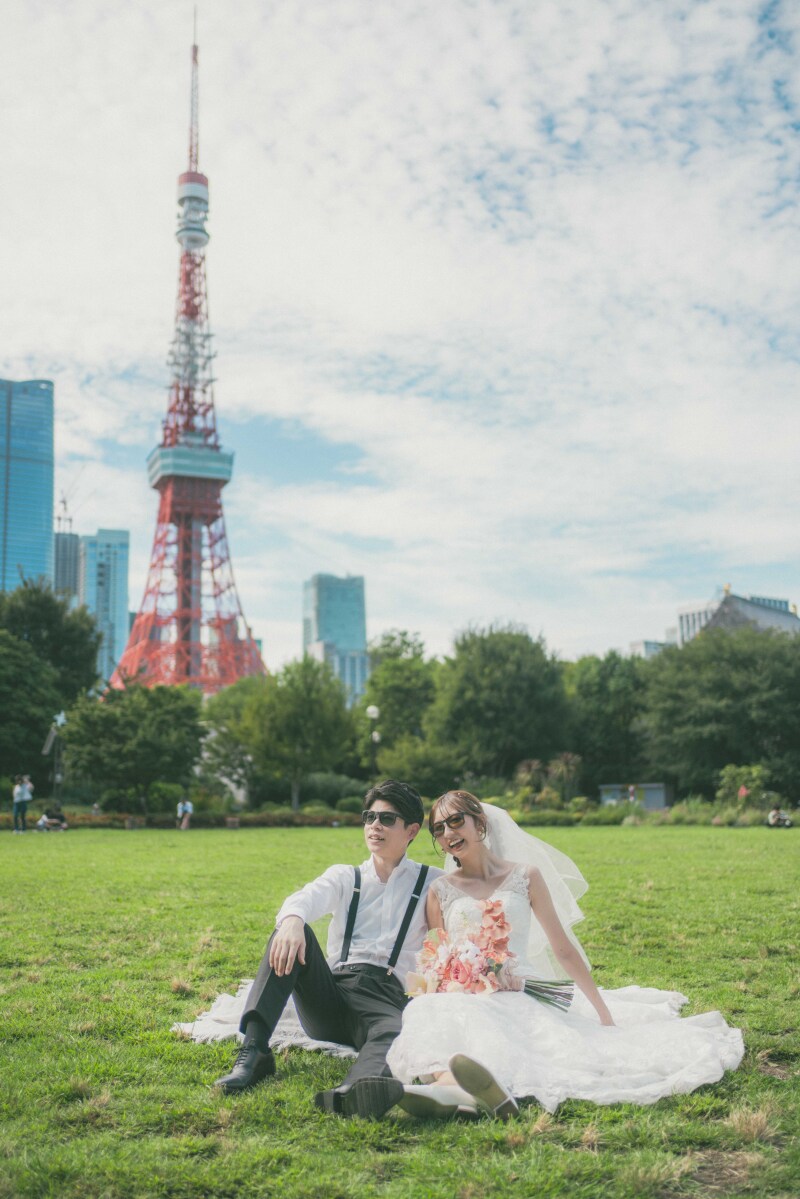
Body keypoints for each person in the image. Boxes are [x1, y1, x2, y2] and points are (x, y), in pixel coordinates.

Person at [386, 790, 744, 1119]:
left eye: (455, 821)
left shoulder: (525, 876)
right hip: (465, 994)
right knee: (426, 1007)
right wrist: (448, 978)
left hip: (520, 988)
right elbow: (437, 953)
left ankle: (465, 1091)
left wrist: (601, 1011)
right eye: (438, 829)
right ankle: (450, 1088)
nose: (448, 833)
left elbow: (562, 948)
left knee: (529, 1040)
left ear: (479, 822)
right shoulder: (441, 890)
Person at [212, 779, 442, 1119]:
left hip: (387, 999)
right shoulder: (346, 877)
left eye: (386, 819)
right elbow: (305, 898)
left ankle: (354, 1091)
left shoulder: (432, 882)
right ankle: (254, 1052)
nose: (374, 826)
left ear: (412, 830)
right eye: (369, 817)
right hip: (332, 994)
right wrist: (291, 921)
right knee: (292, 930)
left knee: (395, 1032)